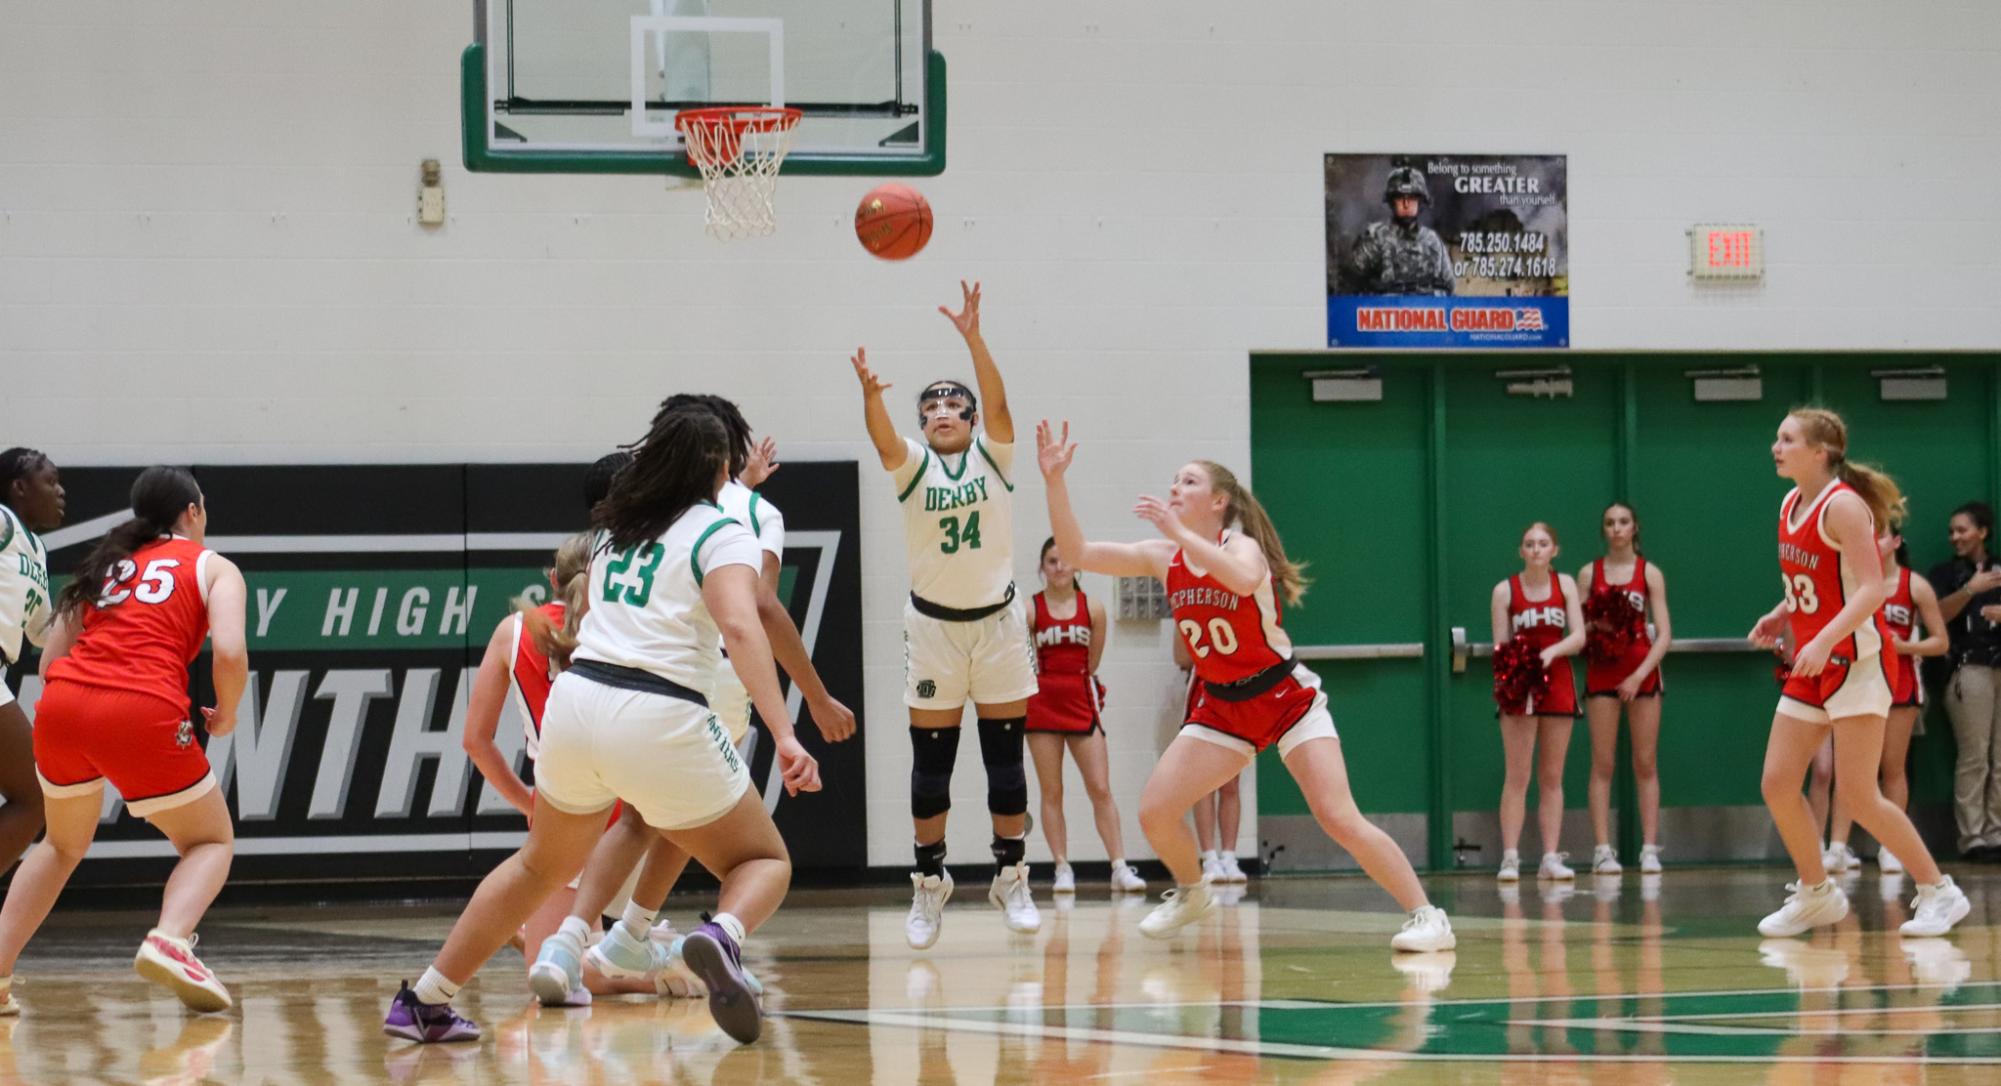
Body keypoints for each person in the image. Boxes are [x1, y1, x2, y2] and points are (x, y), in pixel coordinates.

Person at [383, 402, 820, 1046]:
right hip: (660, 710)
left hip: (578, 706)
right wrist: (784, 731)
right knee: (762, 860)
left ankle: (426, 999)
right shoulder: (721, 529)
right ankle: (717, 936)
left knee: (538, 867)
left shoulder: (615, 528)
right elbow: (739, 624)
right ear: (722, 467)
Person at [1036, 419, 1454, 952]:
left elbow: (1240, 580)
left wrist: (1181, 536)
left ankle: (1427, 915)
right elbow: (1077, 553)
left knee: (1337, 815)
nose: (1174, 489)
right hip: (1223, 707)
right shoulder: (1162, 556)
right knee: (1155, 811)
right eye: (1173, 481)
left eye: (1188, 482)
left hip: (1286, 699)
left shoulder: (1243, 548)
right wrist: (1054, 481)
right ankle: (1192, 892)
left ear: (1219, 502)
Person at [532, 398, 854, 1006]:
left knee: (642, 817)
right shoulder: (749, 513)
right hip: (699, 683)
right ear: (726, 458)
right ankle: (714, 938)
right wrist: (805, 705)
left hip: (600, 684)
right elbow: (756, 611)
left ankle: (579, 938)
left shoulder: (632, 515)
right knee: (720, 831)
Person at [0, 466, 248, 1016]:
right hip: (140, 708)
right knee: (210, 842)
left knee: (61, 845)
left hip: (63, 707)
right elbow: (229, 654)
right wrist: (225, 716)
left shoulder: (104, 564)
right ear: (194, 511)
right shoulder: (213, 566)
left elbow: (50, 662)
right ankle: (171, 939)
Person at [851, 281, 1040, 949]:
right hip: (932, 628)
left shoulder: (995, 455)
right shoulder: (913, 470)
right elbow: (883, 444)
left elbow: (1000, 404)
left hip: (997, 627)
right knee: (930, 770)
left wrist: (973, 338)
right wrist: (873, 400)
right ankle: (929, 883)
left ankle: (1011, 875)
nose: (940, 410)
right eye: (928, 405)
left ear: (969, 417)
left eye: (951, 403)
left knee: (1005, 766)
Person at [1747, 407, 1968, 938]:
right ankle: (1816, 893)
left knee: (1858, 796)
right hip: (1815, 659)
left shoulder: (1844, 506)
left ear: (1820, 452)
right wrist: (1784, 612)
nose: (1776, 447)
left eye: (1787, 439)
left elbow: (1872, 588)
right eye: (1777, 438)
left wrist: (1822, 637)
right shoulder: (1789, 503)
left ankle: (1940, 890)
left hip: (1856, 661)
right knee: (1778, 782)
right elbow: (1820, 578)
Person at [1025, 537, 1144, 895]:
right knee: (1052, 791)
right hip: (1042, 703)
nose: (1059, 567)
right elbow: (1024, 658)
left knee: (1100, 788)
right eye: (1051, 561)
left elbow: (1093, 662)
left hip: (1080, 699)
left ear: (1078, 566)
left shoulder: (1093, 608)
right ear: (1042, 567)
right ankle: (1062, 866)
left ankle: (1119, 867)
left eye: (1065, 560)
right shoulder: (1030, 609)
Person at [1826, 524, 1948, 873]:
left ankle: (1890, 848)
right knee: (1849, 770)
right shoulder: (1853, 581)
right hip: (1858, 679)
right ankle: (1837, 847)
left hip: (1900, 682)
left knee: (1892, 768)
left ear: (1895, 541)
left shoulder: (1915, 586)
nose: (1873, 541)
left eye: (1880, 534)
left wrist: (1905, 647)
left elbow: (1940, 642)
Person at [1577, 502, 1671, 876]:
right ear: (1604, 531)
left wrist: (1639, 675)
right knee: (1603, 763)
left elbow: (1663, 634)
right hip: (1602, 671)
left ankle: (1649, 848)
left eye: (1623, 522)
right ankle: (1602, 849)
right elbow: (1579, 627)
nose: (1617, 528)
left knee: (1645, 762)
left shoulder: (1650, 573)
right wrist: (1596, 629)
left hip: (1641, 671)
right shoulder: (1589, 573)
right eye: (1610, 523)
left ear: (1635, 527)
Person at [1492, 523, 1585, 882]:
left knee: (1552, 776)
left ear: (1554, 550)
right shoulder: (1505, 591)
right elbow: (1501, 645)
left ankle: (1550, 856)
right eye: (1529, 543)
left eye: (1543, 544)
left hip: (1558, 681)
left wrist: (1552, 651)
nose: (1535, 550)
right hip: (1520, 686)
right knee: (1517, 775)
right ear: (1521, 551)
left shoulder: (1565, 586)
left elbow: (1578, 635)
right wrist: (1510, 680)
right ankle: (1510, 857)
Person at [1926, 501, 2001, 859]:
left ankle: (1996, 833)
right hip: (1967, 669)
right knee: (1975, 755)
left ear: (1982, 532)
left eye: (1963, 530)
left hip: (1999, 663)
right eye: (1952, 531)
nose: (1955, 537)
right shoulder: (1944, 575)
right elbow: (1934, 616)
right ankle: (1973, 838)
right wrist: (1971, 589)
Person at [0, 449, 61, 876]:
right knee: (35, 796)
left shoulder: (34, 549)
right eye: (51, 481)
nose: (61, 491)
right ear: (19, 487)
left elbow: (42, 633)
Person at [1174, 636, 1248, 883]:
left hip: (1237, 688)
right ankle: (1209, 858)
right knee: (1203, 783)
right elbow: (1181, 658)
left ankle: (1229, 856)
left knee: (1231, 782)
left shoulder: (1242, 601)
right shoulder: (1190, 601)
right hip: (1203, 689)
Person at [1341, 166, 1454, 296]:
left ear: (1420, 202)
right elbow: (1350, 283)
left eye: (1412, 198)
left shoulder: (1432, 240)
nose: (1406, 204)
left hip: (1426, 312)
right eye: (1401, 198)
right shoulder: (1377, 237)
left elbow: (1449, 286)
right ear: (1392, 202)